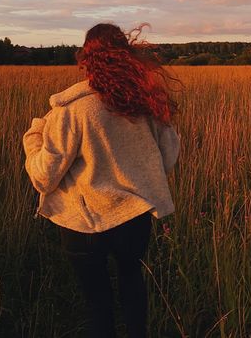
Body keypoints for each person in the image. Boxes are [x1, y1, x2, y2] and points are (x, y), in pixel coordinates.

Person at [22, 22, 183, 338]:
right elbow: (167, 159)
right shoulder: (144, 103)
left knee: (98, 303)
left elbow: (43, 178)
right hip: (135, 218)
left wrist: (34, 136)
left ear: (86, 61)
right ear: (126, 56)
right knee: (132, 283)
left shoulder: (71, 112)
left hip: (84, 225)